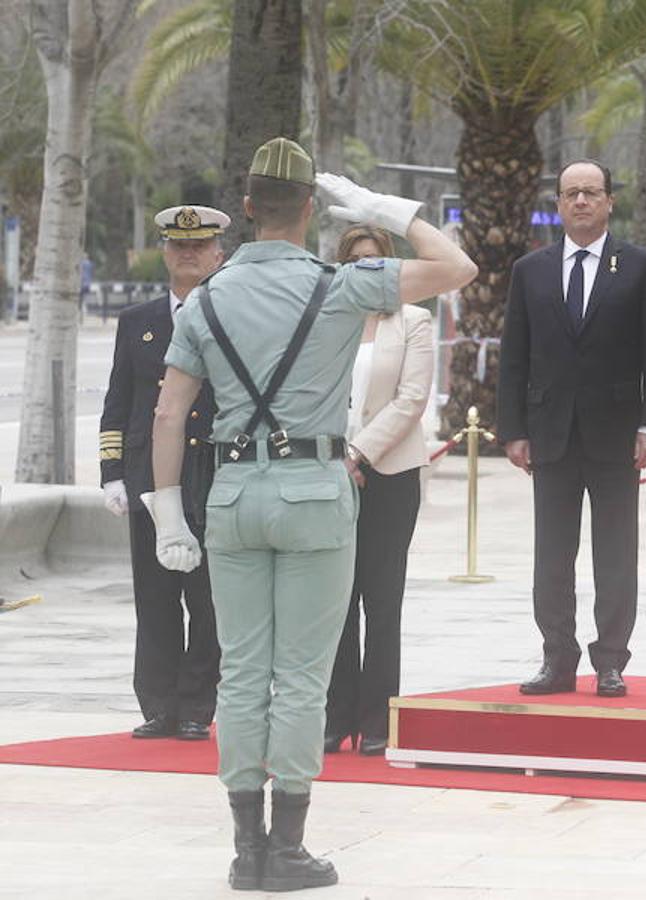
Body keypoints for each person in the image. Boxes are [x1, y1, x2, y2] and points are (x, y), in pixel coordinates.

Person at [144, 137, 476, 892]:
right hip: (316, 493)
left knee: (241, 672)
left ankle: (243, 847)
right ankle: (286, 845)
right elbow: (458, 269)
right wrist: (384, 210)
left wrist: (168, 514)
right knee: (300, 674)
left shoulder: (209, 297)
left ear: (250, 207)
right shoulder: (345, 284)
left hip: (230, 497)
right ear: (309, 211)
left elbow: (169, 413)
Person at [497, 158, 646, 699]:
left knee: (616, 553)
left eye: (591, 192)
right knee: (552, 554)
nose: (581, 202)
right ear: (557, 204)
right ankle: (557, 658)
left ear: (609, 201)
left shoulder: (639, 267)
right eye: (571, 193)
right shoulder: (531, 270)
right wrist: (513, 431)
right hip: (550, 433)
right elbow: (515, 356)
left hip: (617, 435)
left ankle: (611, 660)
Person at [99, 204, 227, 740]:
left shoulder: (230, 316)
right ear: (166, 253)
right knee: (154, 594)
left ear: (219, 253)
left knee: (207, 595)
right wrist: (112, 471)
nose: (188, 253)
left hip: (211, 471)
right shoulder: (138, 322)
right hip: (149, 473)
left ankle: (197, 705)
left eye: (198, 246)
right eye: (178, 246)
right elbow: (119, 401)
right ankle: (158, 702)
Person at [324, 225, 433, 756]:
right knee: (333, 601)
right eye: (355, 260)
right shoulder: (328, 321)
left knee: (380, 599)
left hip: (388, 476)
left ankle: (376, 719)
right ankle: (334, 713)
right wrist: (331, 457)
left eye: (375, 261)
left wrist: (357, 453)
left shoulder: (413, 320)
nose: (365, 268)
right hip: (326, 476)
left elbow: (411, 399)